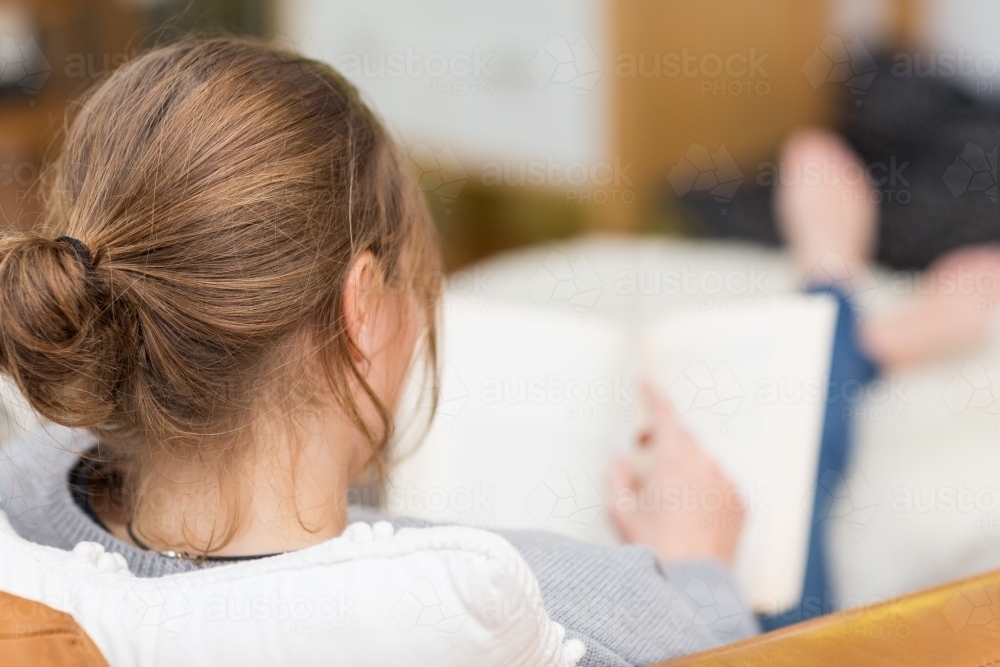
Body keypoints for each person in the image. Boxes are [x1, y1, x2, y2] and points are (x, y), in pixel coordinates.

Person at [0, 37, 996, 666]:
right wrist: (698, 566)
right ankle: (836, 297)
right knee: (777, 558)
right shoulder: (536, 600)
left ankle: (858, 321)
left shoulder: (27, 496)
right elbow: (731, 651)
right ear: (361, 306)